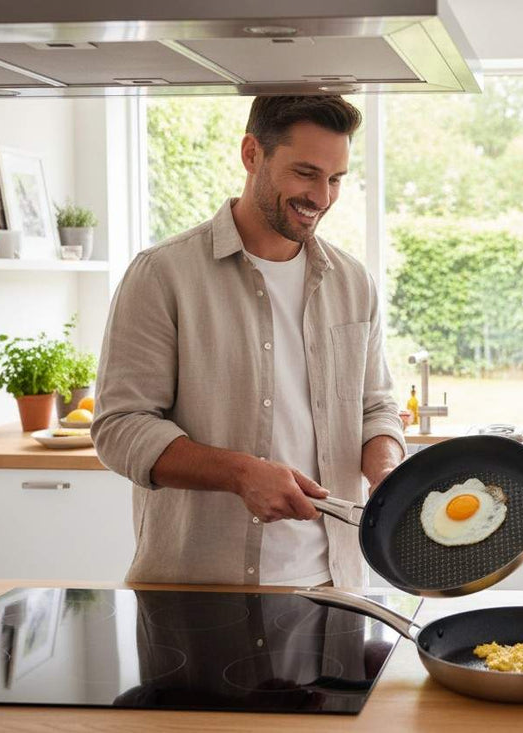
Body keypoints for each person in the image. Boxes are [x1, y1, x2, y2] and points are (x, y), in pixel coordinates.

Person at [92, 95, 406, 588]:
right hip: (199, 593)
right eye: (306, 173)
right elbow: (120, 428)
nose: (322, 197)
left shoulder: (353, 281)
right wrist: (240, 473)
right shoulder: (162, 274)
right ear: (252, 154)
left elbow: (374, 406)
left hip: (335, 587)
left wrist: (387, 467)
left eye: (336, 179)